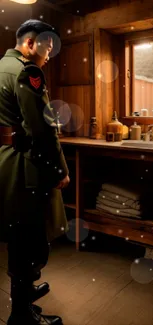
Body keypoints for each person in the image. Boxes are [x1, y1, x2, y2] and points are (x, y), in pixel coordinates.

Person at [0, 19, 70, 325]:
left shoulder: (2, 66)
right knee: (28, 239)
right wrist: (60, 171)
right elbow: (43, 130)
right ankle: (21, 315)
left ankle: (24, 296)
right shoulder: (28, 72)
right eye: (46, 46)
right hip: (24, 166)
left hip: (3, 161)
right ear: (29, 43)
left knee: (16, 234)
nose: (49, 54)